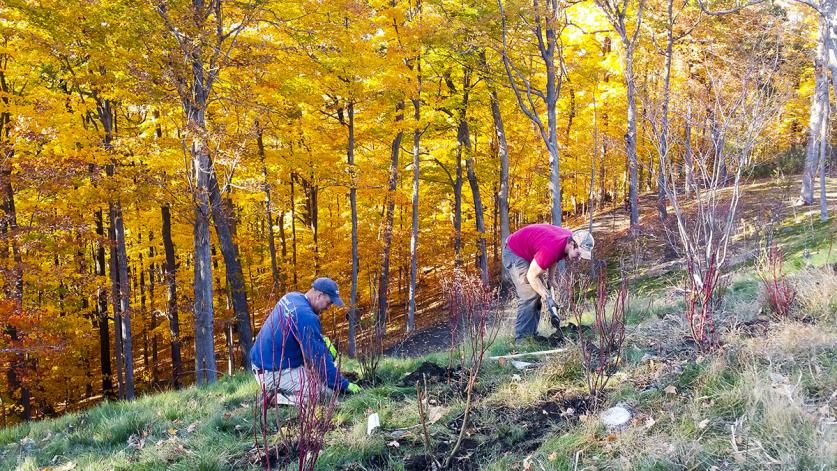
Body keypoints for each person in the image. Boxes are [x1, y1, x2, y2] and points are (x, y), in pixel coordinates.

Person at [249, 277, 361, 405]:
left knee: (321, 377)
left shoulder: (292, 297)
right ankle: (276, 398)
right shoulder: (306, 316)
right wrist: (343, 385)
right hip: (270, 372)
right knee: (327, 395)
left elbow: (298, 333)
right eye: (329, 303)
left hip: (265, 362)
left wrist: (322, 342)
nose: (329, 308)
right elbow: (319, 359)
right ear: (320, 295)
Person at [502, 225, 594, 344]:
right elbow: (531, 276)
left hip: (528, 250)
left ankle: (530, 335)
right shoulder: (551, 248)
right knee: (530, 294)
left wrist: (551, 278)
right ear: (572, 244)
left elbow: (555, 256)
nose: (579, 258)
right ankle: (522, 340)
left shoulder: (566, 241)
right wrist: (548, 298)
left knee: (536, 292)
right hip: (514, 252)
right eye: (579, 253)